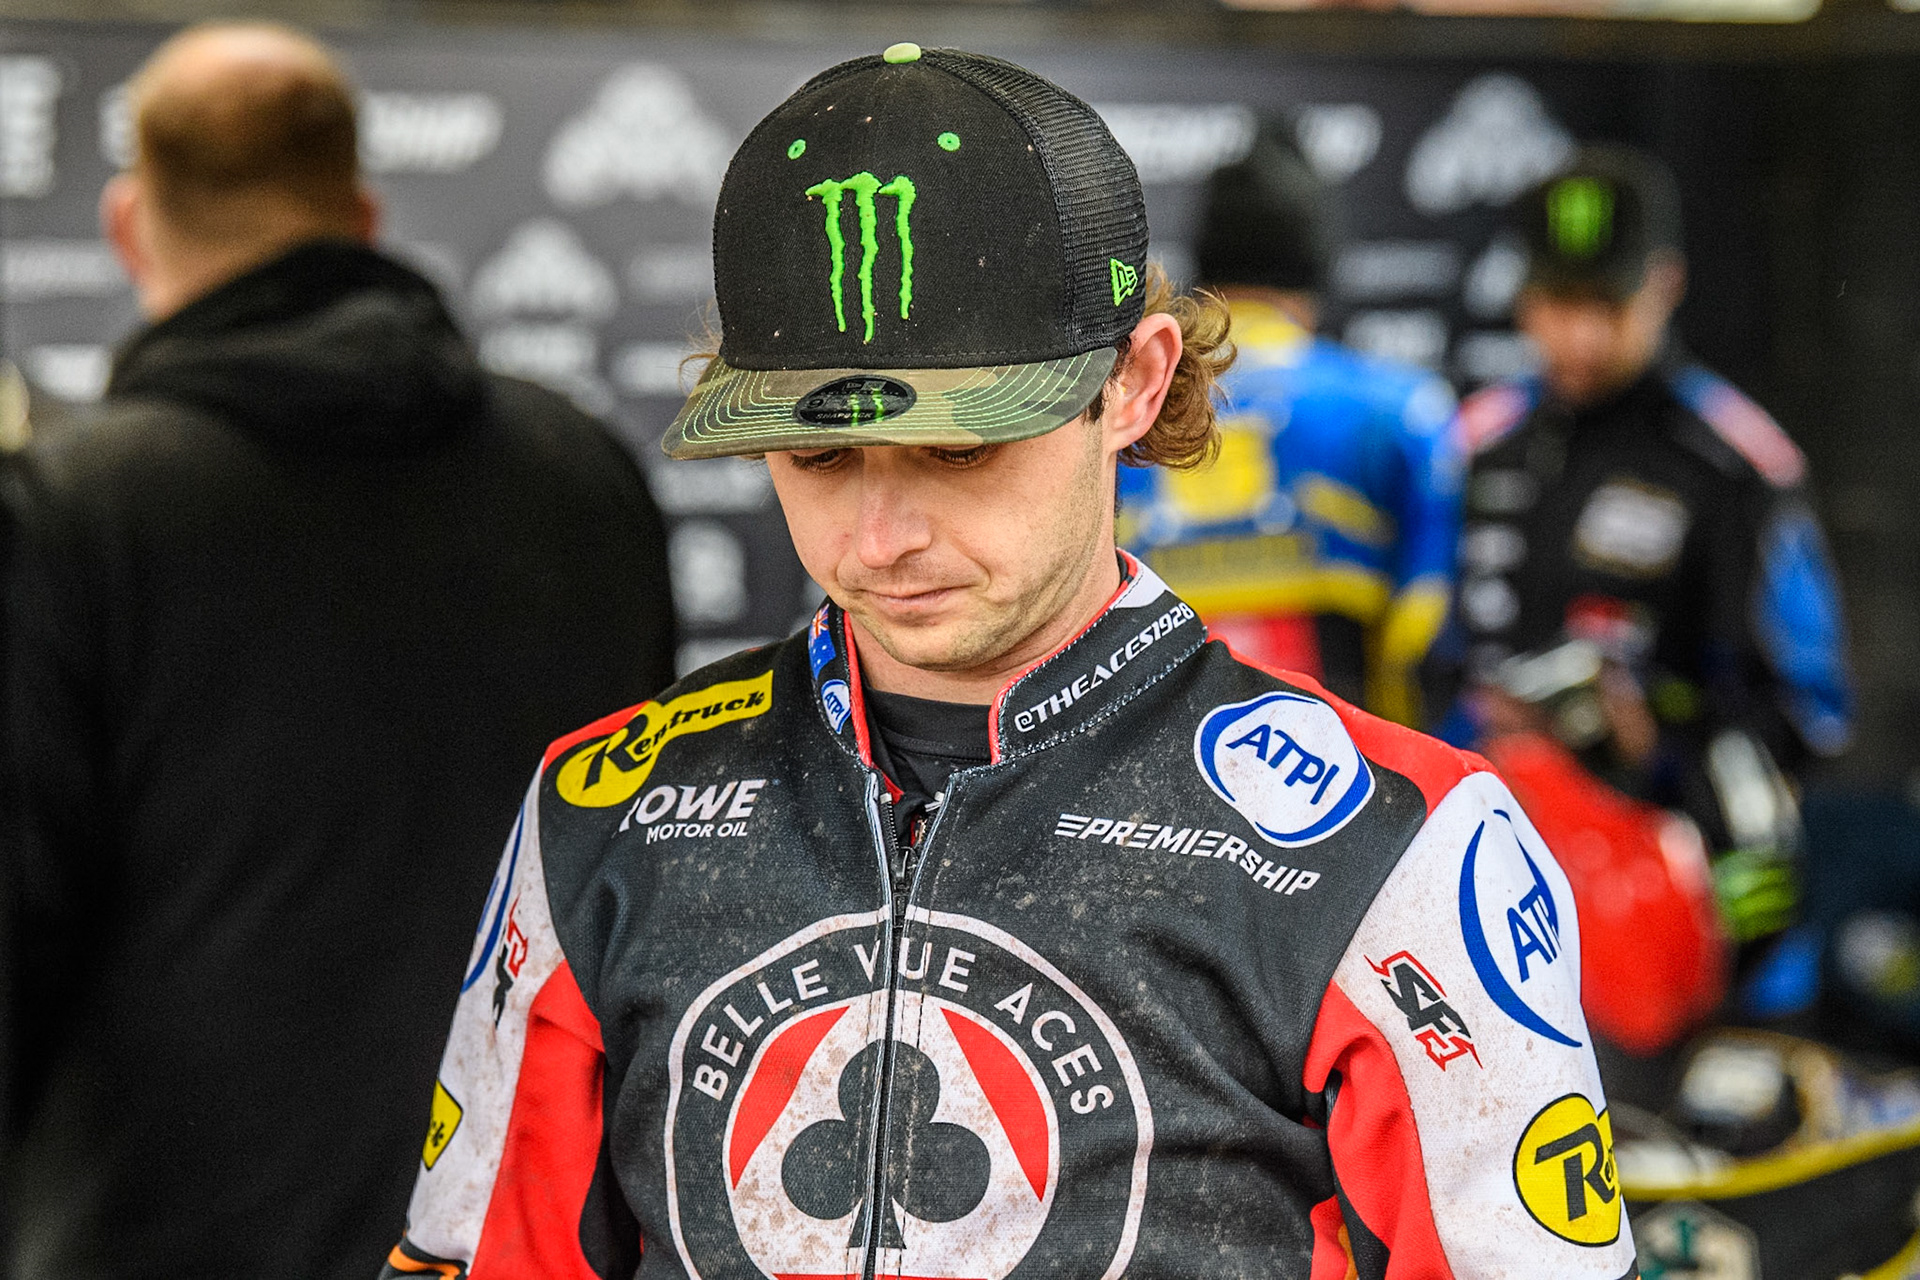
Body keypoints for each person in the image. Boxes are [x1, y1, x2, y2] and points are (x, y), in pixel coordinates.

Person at [383, 45, 1635, 1280]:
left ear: (1135, 384)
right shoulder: (604, 810)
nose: (881, 536)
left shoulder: (1400, 849)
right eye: (818, 456)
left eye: (963, 447)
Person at [0, 24, 675, 1279]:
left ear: (128, 224)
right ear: (360, 212)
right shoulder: (584, 475)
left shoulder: (71, 513)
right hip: (517, 1240)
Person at [1449, 147, 1852, 947]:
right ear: (1523, 300)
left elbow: (1812, 709)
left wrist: (1655, 734)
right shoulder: (1473, 446)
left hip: (1672, 894)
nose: (1582, 336)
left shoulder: (1734, 465)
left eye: (1609, 304)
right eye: (1558, 304)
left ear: (1663, 286)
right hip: (1483, 875)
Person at [1117, 119, 1461, 728]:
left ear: (1204, 266)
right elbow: (1423, 633)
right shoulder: (1405, 410)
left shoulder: (1124, 407)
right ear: (1318, 266)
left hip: (1146, 782)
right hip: (1349, 784)